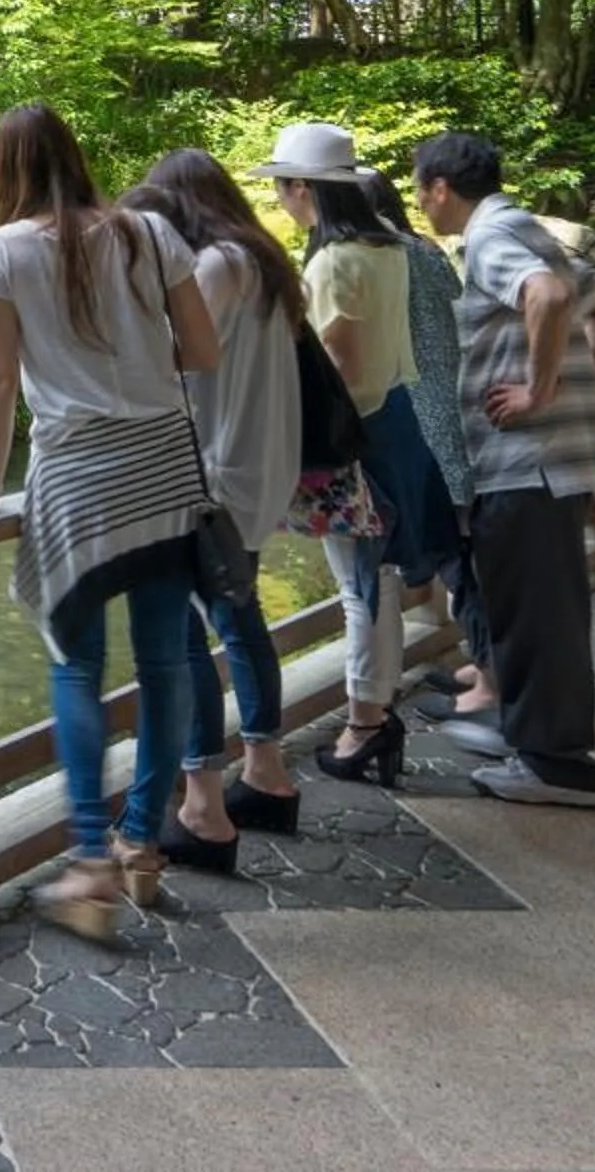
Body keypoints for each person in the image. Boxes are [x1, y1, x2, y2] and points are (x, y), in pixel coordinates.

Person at [0, 105, 218, 940]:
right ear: (76, 158)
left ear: (2, 170)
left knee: (76, 666)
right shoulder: (149, 232)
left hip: (78, 480)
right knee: (166, 662)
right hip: (164, 467)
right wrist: (135, 359)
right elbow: (204, 351)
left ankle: (90, 863)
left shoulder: (0, 250)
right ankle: (143, 846)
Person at [412, 131, 595, 809]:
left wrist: (540, 390)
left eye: (420, 191)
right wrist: (576, 381)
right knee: (543, 611)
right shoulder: (530, 227)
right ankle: (533, 742)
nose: (419, 204)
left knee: (537, 617)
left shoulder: (490, 236)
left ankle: (557, 766)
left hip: (527, 464)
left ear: (440, 188)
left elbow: (548, 296)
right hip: (556, 460)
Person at [251, 122, 454, 789]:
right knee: (381, 578)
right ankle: (374, 713)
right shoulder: (389, 248)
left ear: (302, 188)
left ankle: (366, 721)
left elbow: (335, 363)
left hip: (353, 438)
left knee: (360, 587)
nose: (280, 199)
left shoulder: (333, 263)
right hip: (395, 423)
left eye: (282, 187)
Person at [126, 151, 305, 865]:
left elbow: (170, 355)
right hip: (258, 467)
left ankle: (203, 808)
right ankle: (266, 775)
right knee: (238, 617)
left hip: (211, 475)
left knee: (181, 637)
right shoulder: (262, 262)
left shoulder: (218, 265)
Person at [357, 165, 493, 723]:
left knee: (460, 560)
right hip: (459, 411)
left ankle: (491, 680)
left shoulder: (381, 259)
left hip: (427, 423)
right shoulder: (426, 250)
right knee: (468, 554)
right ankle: (484, 664)